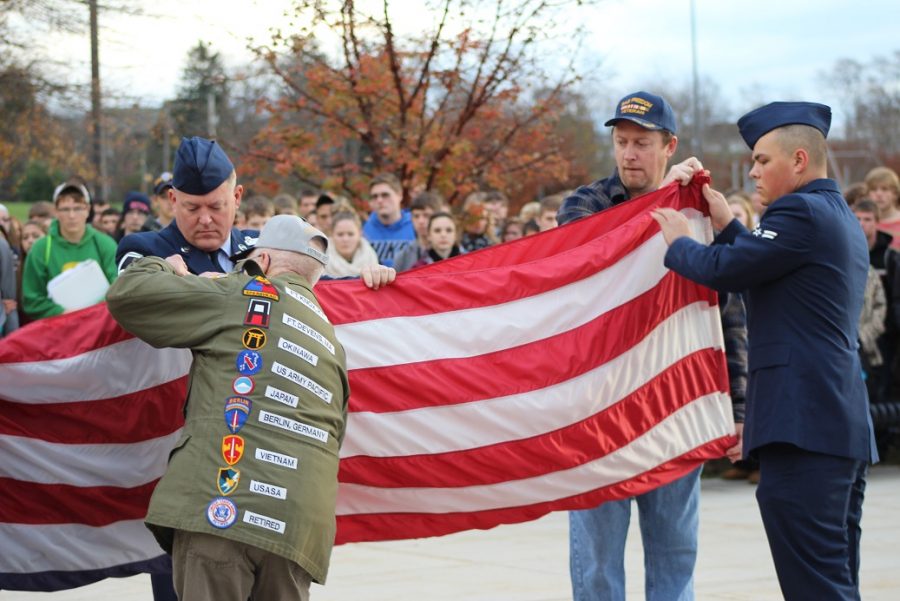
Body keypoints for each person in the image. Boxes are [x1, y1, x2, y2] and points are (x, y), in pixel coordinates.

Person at [652, 101, 877, 600]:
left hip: (805, 429)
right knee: (835, 580)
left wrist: (680, 243)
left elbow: (727, 272)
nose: (752, 170)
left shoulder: (798, 211)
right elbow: (768, 273)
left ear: (799, 160)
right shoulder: (832, 213)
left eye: (761, 160)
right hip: (834, 426)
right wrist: (730, 226)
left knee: (816, 585)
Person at [560, 90, 744, 601]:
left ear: (670, 146)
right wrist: (660, 203)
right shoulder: (586, 202)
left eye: (642, 142)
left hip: (673, 411)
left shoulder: (699, 213)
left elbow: (728, 313)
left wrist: (740, 407)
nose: (628, 154)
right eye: (621, 142)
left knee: (674, 566)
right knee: (595, 571)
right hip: (599, 415)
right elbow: (593, 252)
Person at [107, 215, 349, 601]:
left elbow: (129, 295)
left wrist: (162, 266)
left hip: (222, 507)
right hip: (298, 530)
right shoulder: (333, 344)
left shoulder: (244, 292)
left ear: (263, 263)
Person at [116, 137, 259, 276]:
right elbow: (129, 290)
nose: (205, 220)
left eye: (216, 207)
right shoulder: (145, 249)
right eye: (192, 208)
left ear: (237, 197)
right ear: (173, 200)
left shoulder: (261, 247)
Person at [21, 179, 118, 320]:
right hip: (57, 330)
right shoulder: (40, 249)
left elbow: (117, 287)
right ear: (56, 212)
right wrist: (62, 312)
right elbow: (32, 299)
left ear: (87, 210)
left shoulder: (105, 244)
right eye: (65, 209)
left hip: (98, 326)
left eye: (77, 208)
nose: (72, 216)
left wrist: (91, 311)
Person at [361, 173, 416, 267]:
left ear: (399, 195)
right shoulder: (362, 230)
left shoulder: (416, 225)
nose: (379, 200)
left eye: (385, 195)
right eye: (375, 196)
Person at [324, 211, 380, 278]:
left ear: (360, 234)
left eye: (350, 234)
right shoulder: (321, 261)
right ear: (332, 234)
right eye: (340, 234)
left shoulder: (371, 257)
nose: (345, 239)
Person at [866, 166, 900, 249]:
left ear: (895, 193)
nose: (879, 194)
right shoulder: (861, 222)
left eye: (885, 189)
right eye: (874, 189)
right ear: (867, 194)